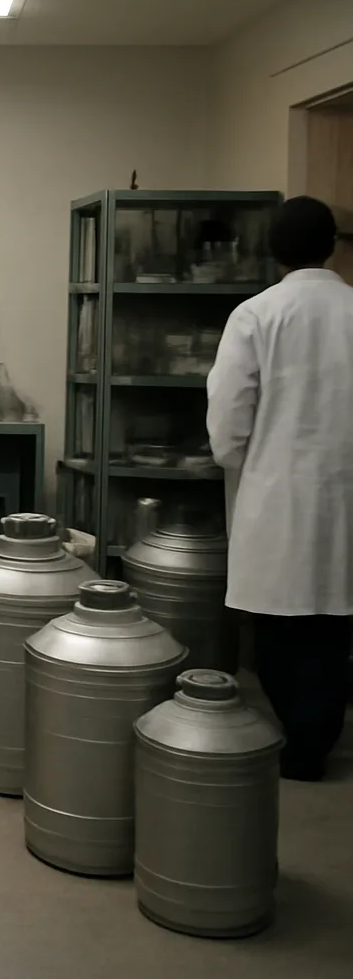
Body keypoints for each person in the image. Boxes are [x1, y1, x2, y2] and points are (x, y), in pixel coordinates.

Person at [206, 195, 353, 781]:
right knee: (333, 624)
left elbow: (227, 421)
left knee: (278, 626)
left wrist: (246, 462)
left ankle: (296, 739)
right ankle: (316, 740)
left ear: (272, 250)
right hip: (344, 496)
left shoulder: (256, 315)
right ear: (333, 246)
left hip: (276, 496)